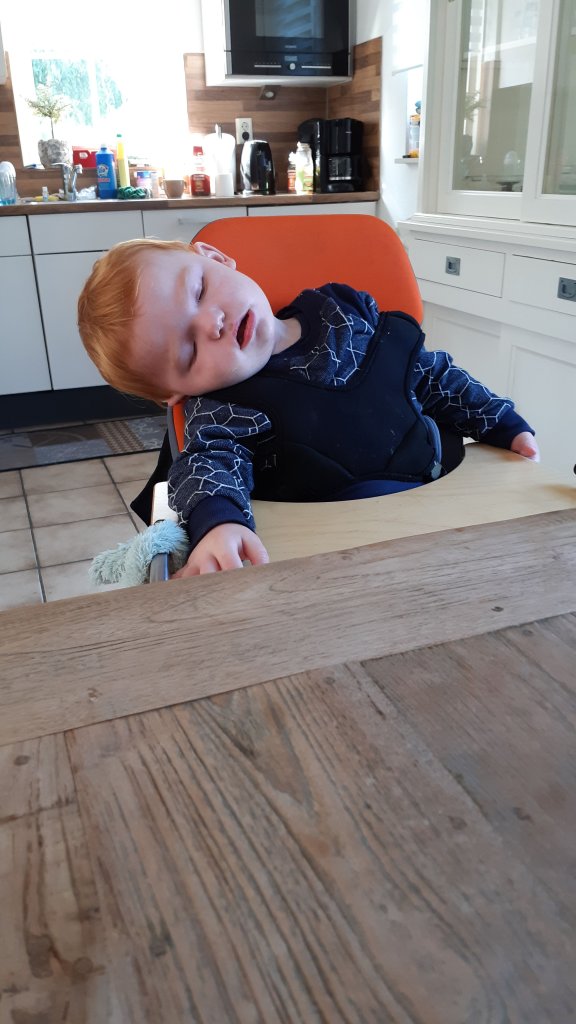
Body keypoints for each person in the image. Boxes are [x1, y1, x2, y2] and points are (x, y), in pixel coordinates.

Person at [78, 237, 539, 579]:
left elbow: (428, 374)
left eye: (199, 291)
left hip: (446, 523)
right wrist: (219, 524)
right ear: (175, 393)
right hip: (336, 565)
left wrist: (500, 422)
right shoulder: (223, 410)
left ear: (216, 258)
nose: (211, 324)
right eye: (188, 351)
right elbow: (207, 467)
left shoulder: (346, 315)